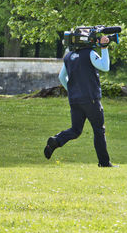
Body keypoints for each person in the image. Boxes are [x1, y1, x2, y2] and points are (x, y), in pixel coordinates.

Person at [44, 32, 117, 167]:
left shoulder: (68, 57)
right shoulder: (89, 53)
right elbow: (105, 67)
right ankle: (104, 163)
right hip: (91, 100)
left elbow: (61, 77)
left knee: (75, 130)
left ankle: (56, 140)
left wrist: (71, 91)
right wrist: (104, 48)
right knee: (99, 130)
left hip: (75, 100)